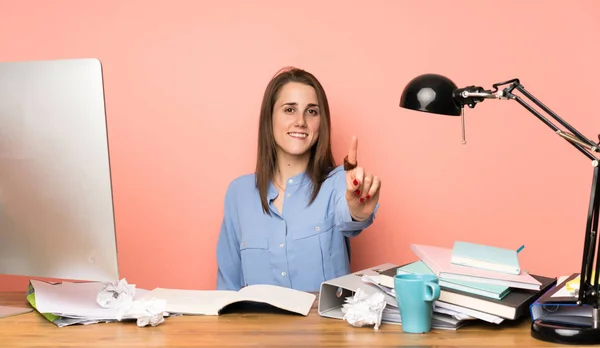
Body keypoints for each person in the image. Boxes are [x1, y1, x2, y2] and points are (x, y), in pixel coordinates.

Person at [216, 67, 382, 292]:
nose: (301, 121)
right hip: (258, 328)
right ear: (269, 117)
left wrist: (358, 212)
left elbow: (351, 215)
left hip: (326, 327)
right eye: (289, 109)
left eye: (312, 112)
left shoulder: (337, 184)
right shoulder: (239, 194)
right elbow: (227, 288)